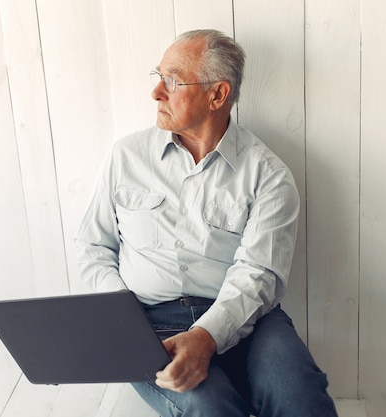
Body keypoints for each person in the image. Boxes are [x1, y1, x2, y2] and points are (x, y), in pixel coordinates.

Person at [75, 29, 337, 417]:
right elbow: (93, 247)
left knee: (298, 392)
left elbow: (259, 274)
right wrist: (125, 319)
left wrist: (207, 336)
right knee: (208, 406)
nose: (156, 93)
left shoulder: (268, 176)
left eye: (173, 80)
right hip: (149, 321)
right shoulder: (125, 157)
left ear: (218, 95)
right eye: (158, 76)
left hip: (249, 318)